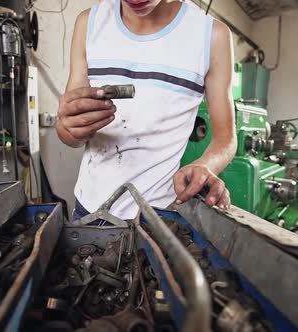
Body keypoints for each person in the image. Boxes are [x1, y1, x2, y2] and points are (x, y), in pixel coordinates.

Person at [57, 0, 236, 221]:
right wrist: (68, 129)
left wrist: (205, 165)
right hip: (89, 209)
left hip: (159, 216)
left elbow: (226, 139)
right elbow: (70, 132)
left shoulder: (212, 36)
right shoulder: (89, 23)